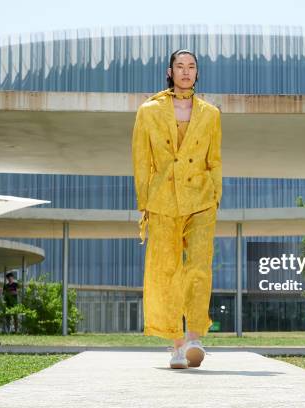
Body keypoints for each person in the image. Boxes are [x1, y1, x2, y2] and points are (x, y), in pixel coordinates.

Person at [132, 49, 222, 369]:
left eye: (191, 67)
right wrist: (145, 204)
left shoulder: (211, 113)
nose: (186, 71)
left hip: (200, 200)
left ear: (197, 73)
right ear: (169, 71)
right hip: (163, 201)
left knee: (199, 266)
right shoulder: (149, 111)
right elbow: (142, 161)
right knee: (166, 271)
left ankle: (195, 337)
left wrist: (215, 196)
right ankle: (177, 346)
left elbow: (215, 160)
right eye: (180, 66)